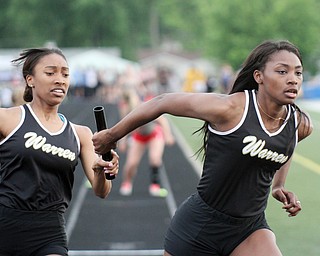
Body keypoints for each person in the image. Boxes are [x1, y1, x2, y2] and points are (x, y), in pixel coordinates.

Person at [93, 39, 313, 256]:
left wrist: (279, 185)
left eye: (298, 73)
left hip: (249, 230)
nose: (293, 79)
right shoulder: (230, 109)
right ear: (259, 76)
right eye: (282, 72)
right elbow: (162, 101)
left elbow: (287, 145)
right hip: (201, 227)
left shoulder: (299, 124)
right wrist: (112, 135)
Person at [0, 48, 119, 256]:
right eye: (50, 73)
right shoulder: (7, 119)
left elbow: (102, 191)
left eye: (65, 74)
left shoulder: (80, 133)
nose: (60, 80)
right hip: (6, 224)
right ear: (30, 80)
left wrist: (100, 170)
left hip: (50, 232)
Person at [118, 84, 175, 197]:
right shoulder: (126, 110)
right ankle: (127, 182)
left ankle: (155, 184)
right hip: (139, 136)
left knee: (155, 159)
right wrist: (123, 141)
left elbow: (162, 120)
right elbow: (124, 127)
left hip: (154, 133)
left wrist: (168, 135)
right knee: (131, 163)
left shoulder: (144, 105)